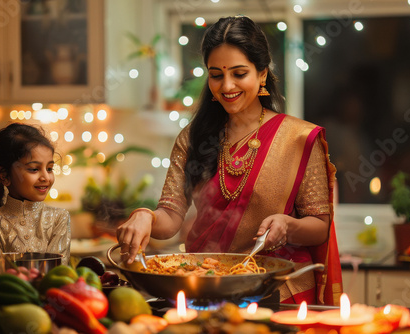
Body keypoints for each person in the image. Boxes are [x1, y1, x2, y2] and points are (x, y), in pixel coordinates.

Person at [117, 15, 342, 305]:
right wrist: (144, 216)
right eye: (216, 74)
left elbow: (320, 227)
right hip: (208, 287)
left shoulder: (297, 138)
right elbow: (171, 217)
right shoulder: (193, 137)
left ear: (262, 74)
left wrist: (288, 225)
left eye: (239, 73)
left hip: (279, 290)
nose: (226, 86)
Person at [0, 123, 71, 264]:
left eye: (50, 168)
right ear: (4, 176)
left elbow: (58, 271)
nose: (46, 177)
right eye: (34, 169)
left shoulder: (59, 218)